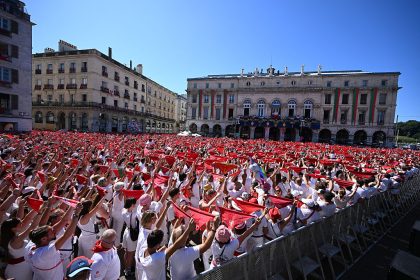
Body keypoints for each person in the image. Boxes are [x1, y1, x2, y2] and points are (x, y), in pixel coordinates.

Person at [26, 203, 82, 280]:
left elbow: (44, 224)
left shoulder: (32, 244)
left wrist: (71, 206)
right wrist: (76, 214)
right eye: (51, 232)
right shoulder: (47, 251)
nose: (54, 230)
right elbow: (66, 235)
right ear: (44, 239)